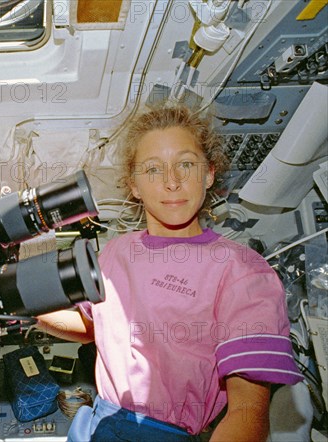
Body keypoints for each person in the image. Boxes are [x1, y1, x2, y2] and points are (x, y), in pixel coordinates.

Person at [37, 106, 303, 441]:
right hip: (97, 424)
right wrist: (23, 315)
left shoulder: (242, 270)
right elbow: (93, 326)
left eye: (186, 164)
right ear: (133, 185)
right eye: (153, 169)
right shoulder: (116, 253)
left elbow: (247, 412)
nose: (172, 181)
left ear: (208, 174)